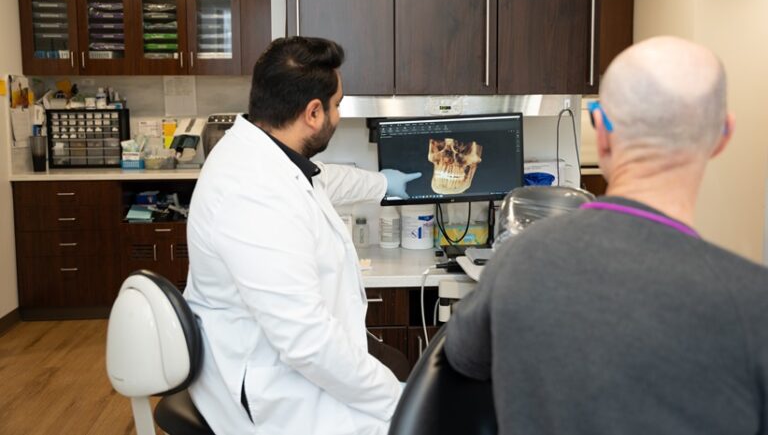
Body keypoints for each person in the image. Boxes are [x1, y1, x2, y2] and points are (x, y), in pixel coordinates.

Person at [444, 36, 768, 435]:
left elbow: (461, 358)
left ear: (602, 132)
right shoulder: (755, 304)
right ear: (723, 135)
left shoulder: (519, 257)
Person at [184, 36, 419, 435]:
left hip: (282, 351)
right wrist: (397, 401)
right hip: (270, 385)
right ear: (313, 113)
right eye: (337, 105)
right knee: (408, 412)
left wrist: (382, 184)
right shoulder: (251, 194)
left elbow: (322, 180)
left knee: (399, 365)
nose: (339, 114)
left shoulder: (263, 150)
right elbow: (308, 343)